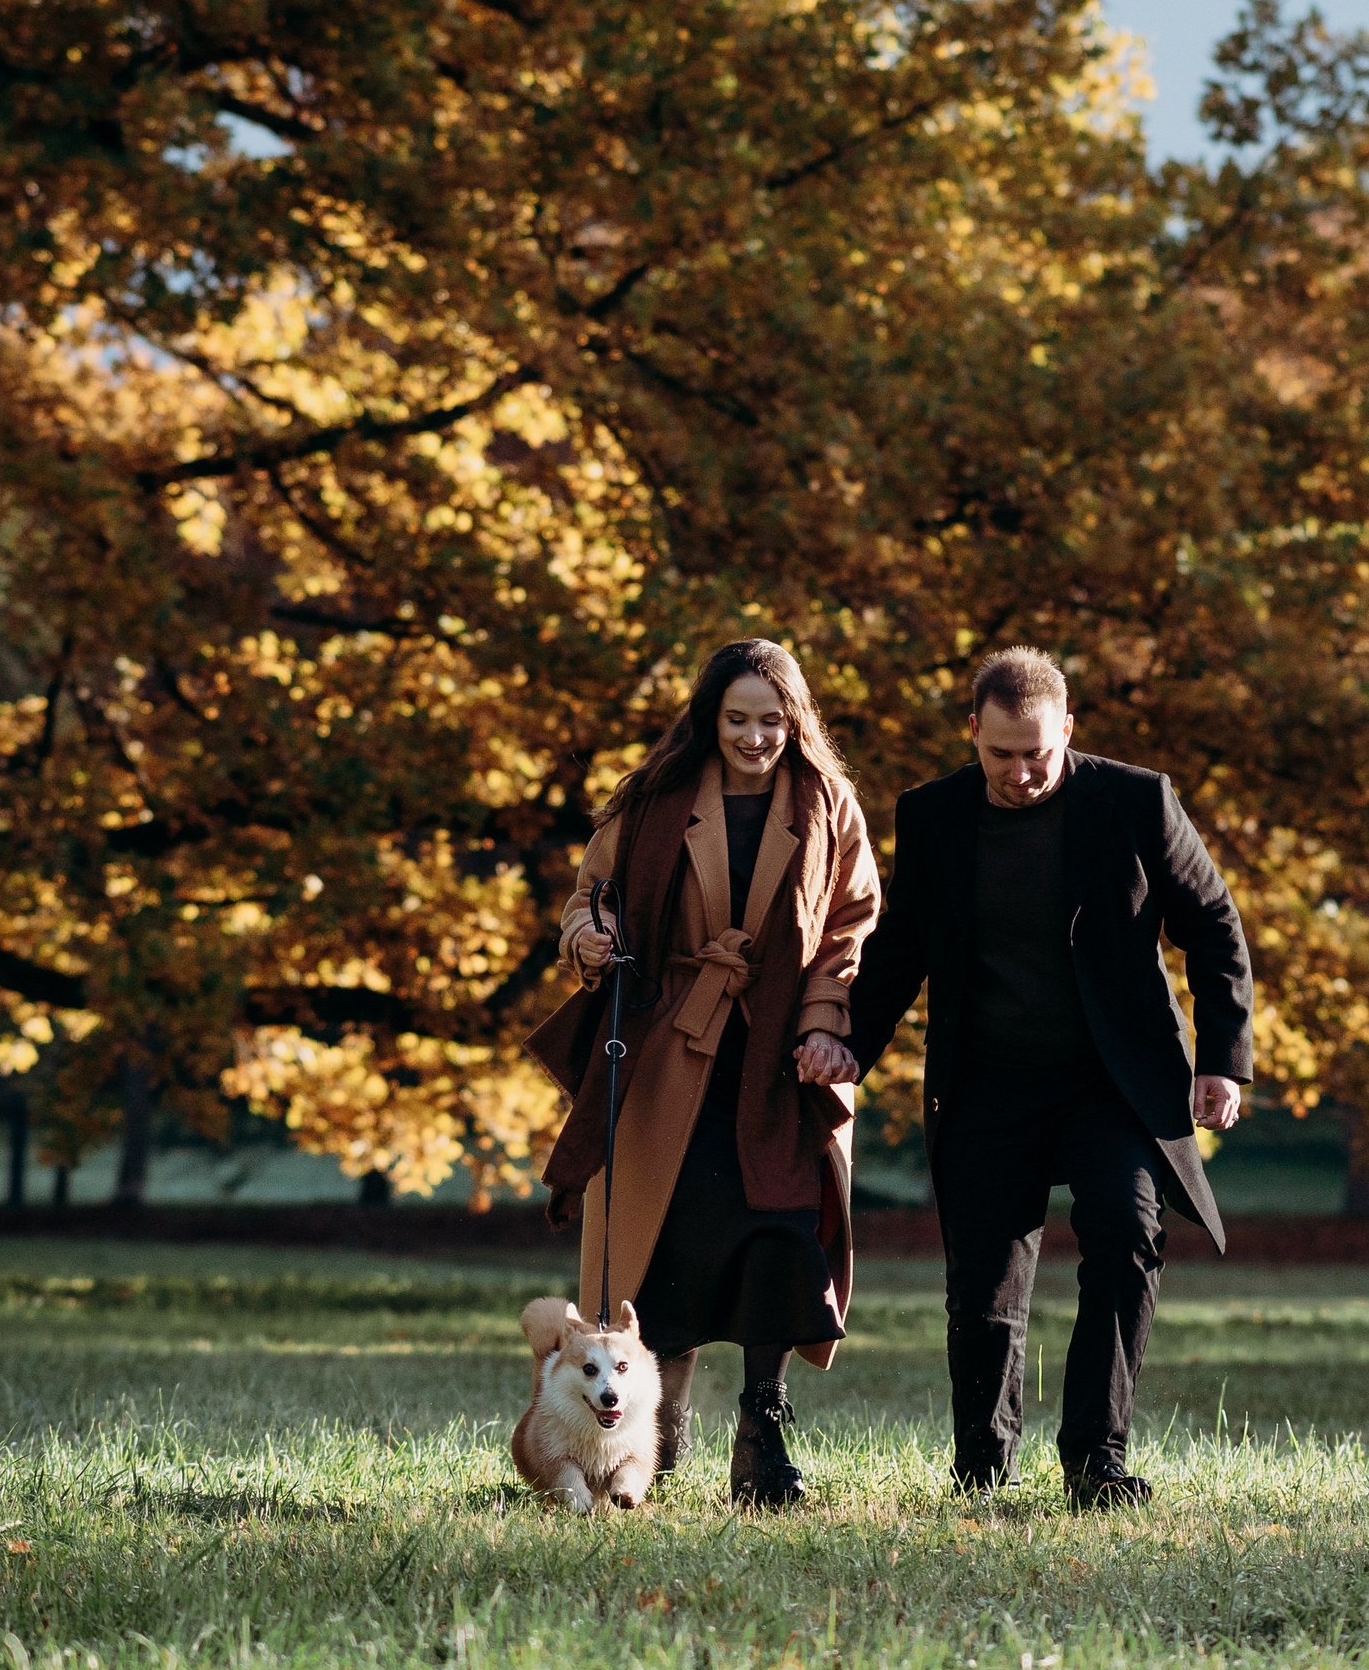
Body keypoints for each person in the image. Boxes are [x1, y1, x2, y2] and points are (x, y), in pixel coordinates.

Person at [846, 646, 1250, 1510]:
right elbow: (899, 949)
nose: (1022, 772)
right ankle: (982, 1470)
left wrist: (1222, 1059)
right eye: (1002, 753)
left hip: (1112, 1080)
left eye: (1038, 752)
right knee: (984, 1285)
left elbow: (1213, 923)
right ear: (973, 733)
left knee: (1128, 1235)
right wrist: (846, 1045)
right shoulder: (933, 814)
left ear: (1067, 728)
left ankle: (1096, 1460)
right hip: (987, 1081)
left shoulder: (1135, 800)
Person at [530, 639, 877, 1508]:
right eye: (737, 719)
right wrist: (588, 939)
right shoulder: (653, 799)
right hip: (671, 1053)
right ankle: (660, 1424)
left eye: (772, 719)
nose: (755, 737)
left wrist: (824, 1021)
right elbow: (588, 898)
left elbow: (851, 922)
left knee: (782, 1233)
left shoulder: (829, 803)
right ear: (709, 719)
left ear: (795, 721)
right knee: (666, 1243)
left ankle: (764, 1430)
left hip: (779, 1056)